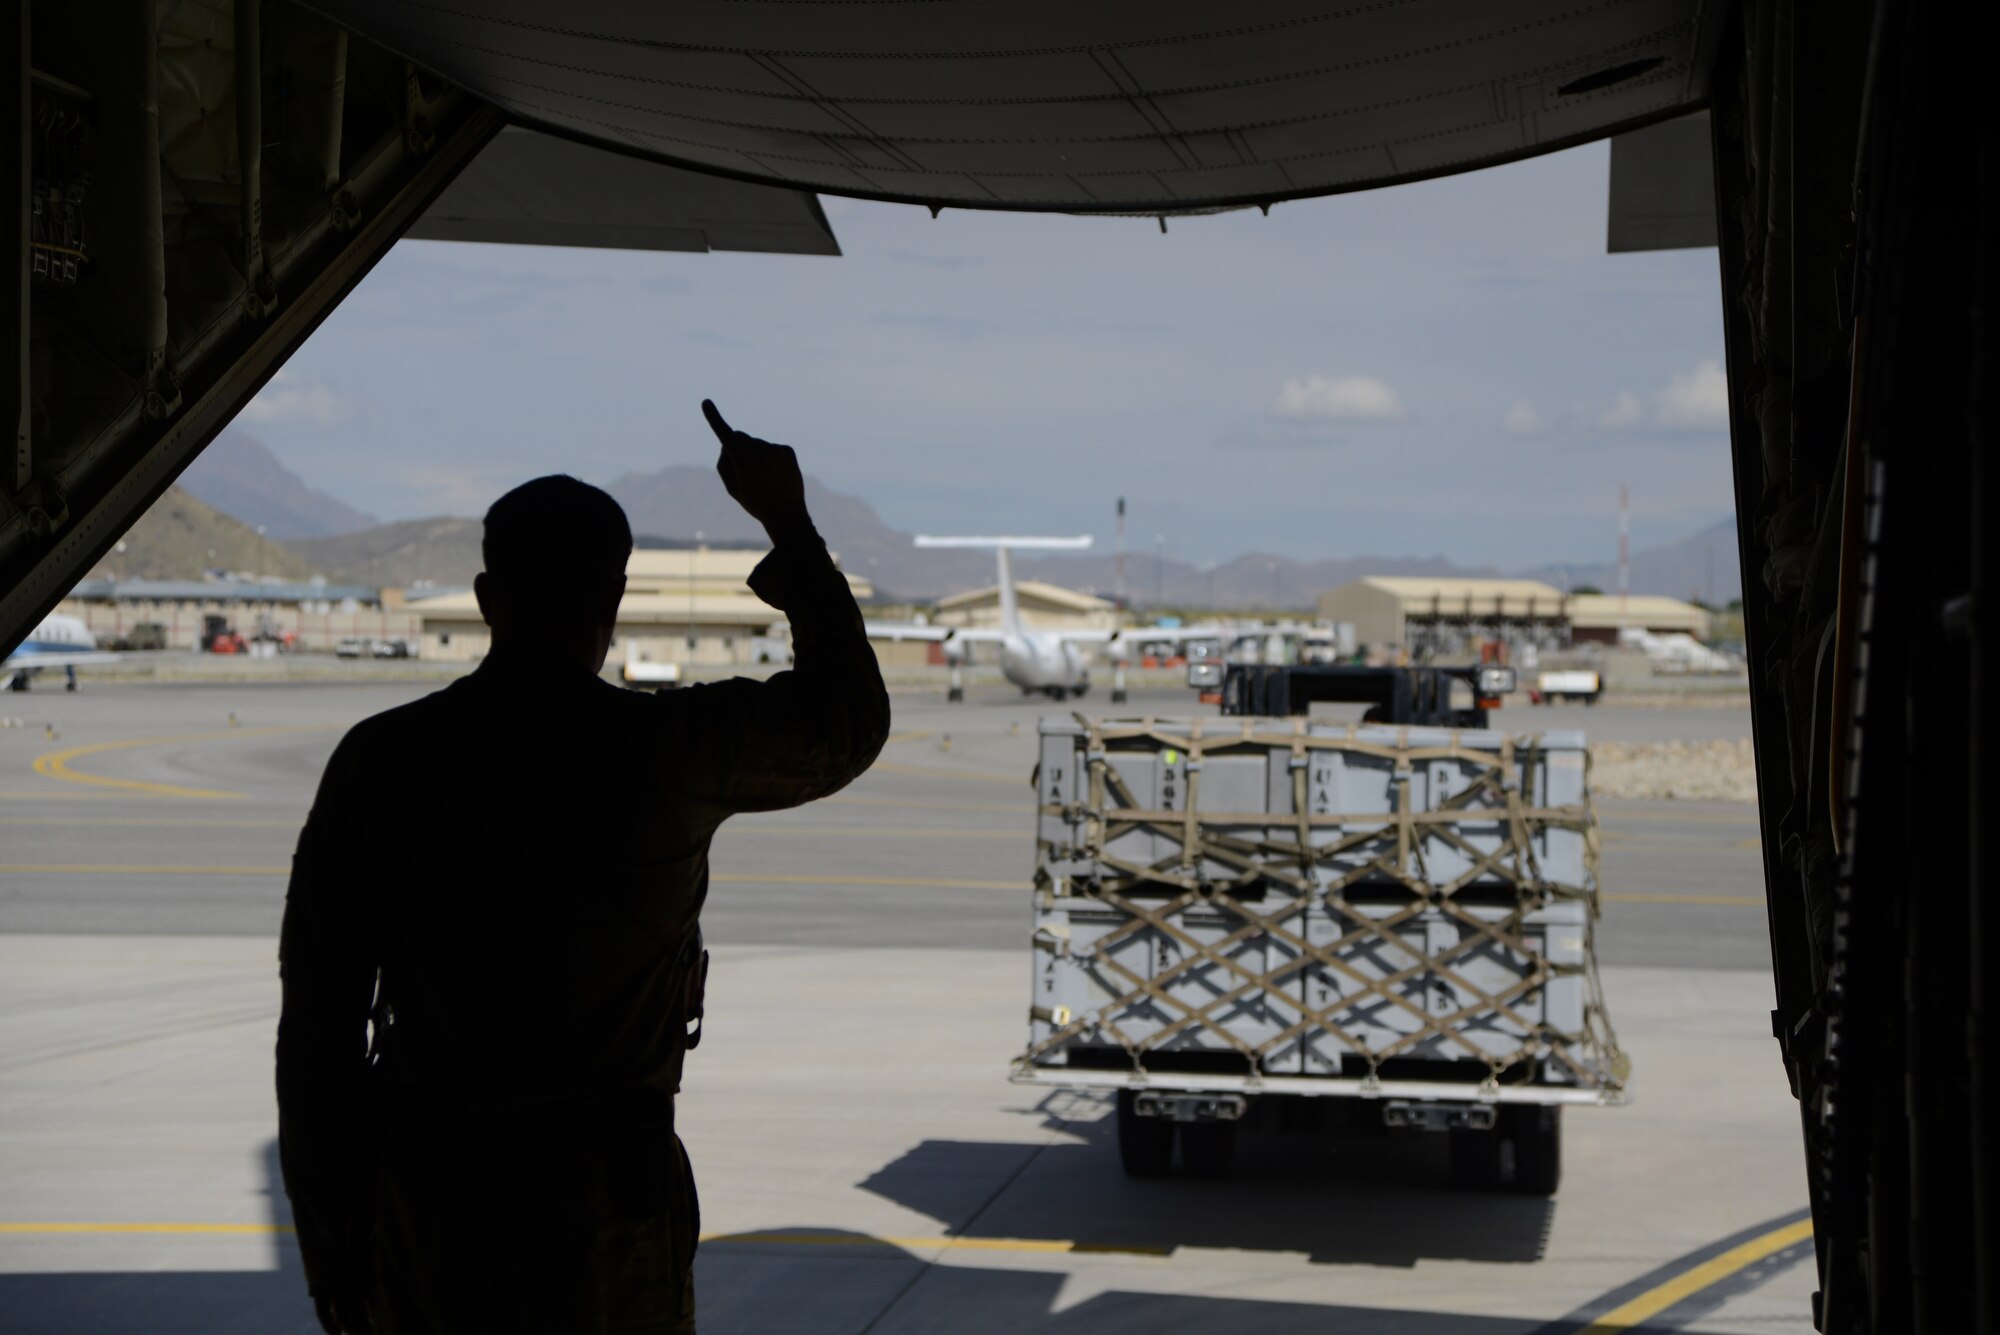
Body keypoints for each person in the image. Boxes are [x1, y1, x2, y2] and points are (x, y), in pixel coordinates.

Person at [275, 402, 890, 1334]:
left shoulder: (384, 761)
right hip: (608, 1225)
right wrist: (786, 522)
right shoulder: (668, 754)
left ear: (488, 599)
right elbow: (848, 717)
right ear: (613, 600)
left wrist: (335, 1253)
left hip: (436, 1219)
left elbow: (317, 1034)